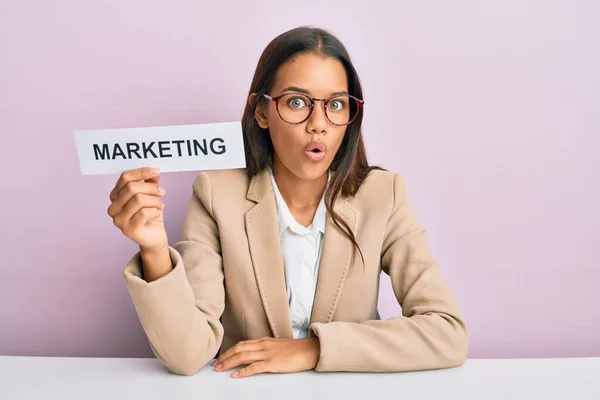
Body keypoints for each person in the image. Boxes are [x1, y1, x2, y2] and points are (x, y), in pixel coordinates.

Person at [107, 26, 468, 378]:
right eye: (297, 102)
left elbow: (448, 333)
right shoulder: (216, 196)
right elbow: (185, 355)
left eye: (336, 105)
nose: (319, 124)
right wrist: (154, 251)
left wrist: (313, 349)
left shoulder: (383, 195)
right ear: (261, 112)